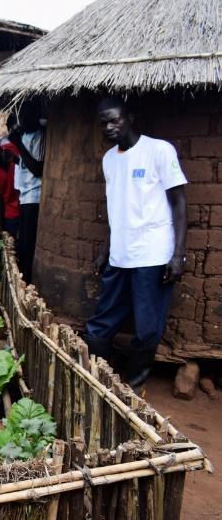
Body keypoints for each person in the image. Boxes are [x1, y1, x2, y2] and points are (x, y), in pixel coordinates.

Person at [84, 97, 187, 391]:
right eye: (103, 123)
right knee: (98, 328)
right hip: (119, 255)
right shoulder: (109, 159)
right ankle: (106, 377)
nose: (109, 127)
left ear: (130, 117)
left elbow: (179, 203)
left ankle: (135, 383)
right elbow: (117, 208)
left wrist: (178, 255)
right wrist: (105, 251)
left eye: (114, 119)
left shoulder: (158, 150)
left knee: (147, 329)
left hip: (153, 255)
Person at [7, 105, 45, 284]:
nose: (20, 122)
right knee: (23, 244)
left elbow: (37, 169)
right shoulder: (25, 136)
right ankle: (24, 282)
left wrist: (19, 145)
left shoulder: (39, 136)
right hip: (25, 197)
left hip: (34, 196)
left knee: (28, 245)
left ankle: (28, 283)